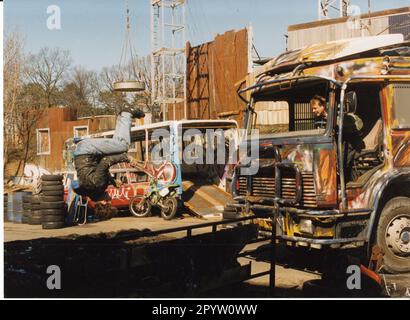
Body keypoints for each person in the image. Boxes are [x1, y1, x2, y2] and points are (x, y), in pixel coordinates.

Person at [73, 107, 145, 218]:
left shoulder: (98, 185)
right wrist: (112, 181)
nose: (111, 199)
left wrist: (127, 158)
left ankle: (126, 113)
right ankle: (123, 116)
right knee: (119, 145)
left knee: (123, 146)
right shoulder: (90, 191)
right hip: (84, 153)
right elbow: (99, 172)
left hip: (87, 150)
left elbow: (105, 162)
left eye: (110, 202)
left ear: (103, 203)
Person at [310, 95, 364, 182]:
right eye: (312, 109)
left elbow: (352, 124)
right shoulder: (319, 118)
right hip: (335, 143)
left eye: (315, 108)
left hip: (349, 143)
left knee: (342, 164)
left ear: (322, 106)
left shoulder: (337, 114)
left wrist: (334, 121)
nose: (313, 111)